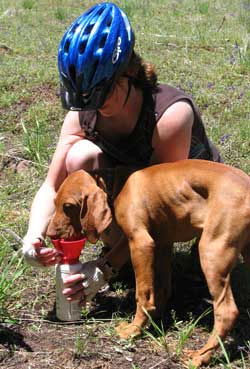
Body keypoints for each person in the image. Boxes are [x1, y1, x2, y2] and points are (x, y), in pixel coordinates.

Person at [22, 3, 222, 305]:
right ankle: (125, 251)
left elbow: (161, 208)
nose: (93, 105)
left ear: (127, 72)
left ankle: (130, 259)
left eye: (101, 94)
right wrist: (32, 236)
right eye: (83, 96)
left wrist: (104, 269)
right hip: (133, 191)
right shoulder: (84, 110)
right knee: (78, 157)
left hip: (186, 204)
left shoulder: (168, 117)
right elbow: (53, 185)